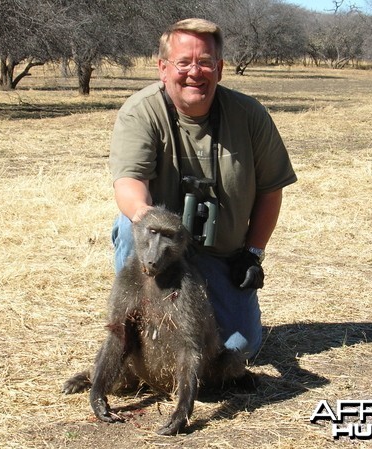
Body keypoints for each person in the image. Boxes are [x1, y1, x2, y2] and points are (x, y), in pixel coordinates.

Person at [109, 18, 297, 359]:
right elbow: (129, 185)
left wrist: (253, 253)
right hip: (164, 251)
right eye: (183, 62)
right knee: (129, 227)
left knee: (237, 351)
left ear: (220, 69)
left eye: (206, 62)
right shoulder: (141, 112)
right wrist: (149, 220)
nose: (195, 72)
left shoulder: (250, 115)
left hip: (222, 257)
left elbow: (272, 189)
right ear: (163, 68)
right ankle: (135, 334)